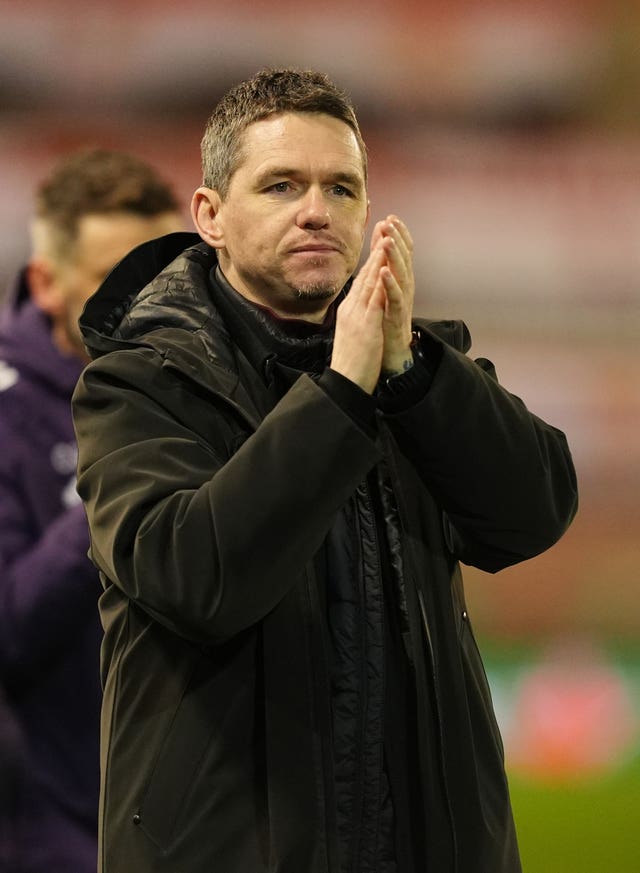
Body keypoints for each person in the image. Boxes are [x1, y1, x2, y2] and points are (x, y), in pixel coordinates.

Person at [71, 70, 578, 873]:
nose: (317, 209)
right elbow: (197, 577)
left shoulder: (412, 368)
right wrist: (341, 393)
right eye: (281, 185)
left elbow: (534, 512)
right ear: (210, 216)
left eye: (342, 187)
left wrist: (411, 373)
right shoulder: (138, 383)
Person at [0, 148, 183, 873]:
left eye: (166, 275)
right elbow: (8, 628)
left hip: (187, 810)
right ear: (46, 282)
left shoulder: (195, 385)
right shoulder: (8, 414)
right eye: (115, 280)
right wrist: (114, 486)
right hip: (51, 827)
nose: (150, 303)